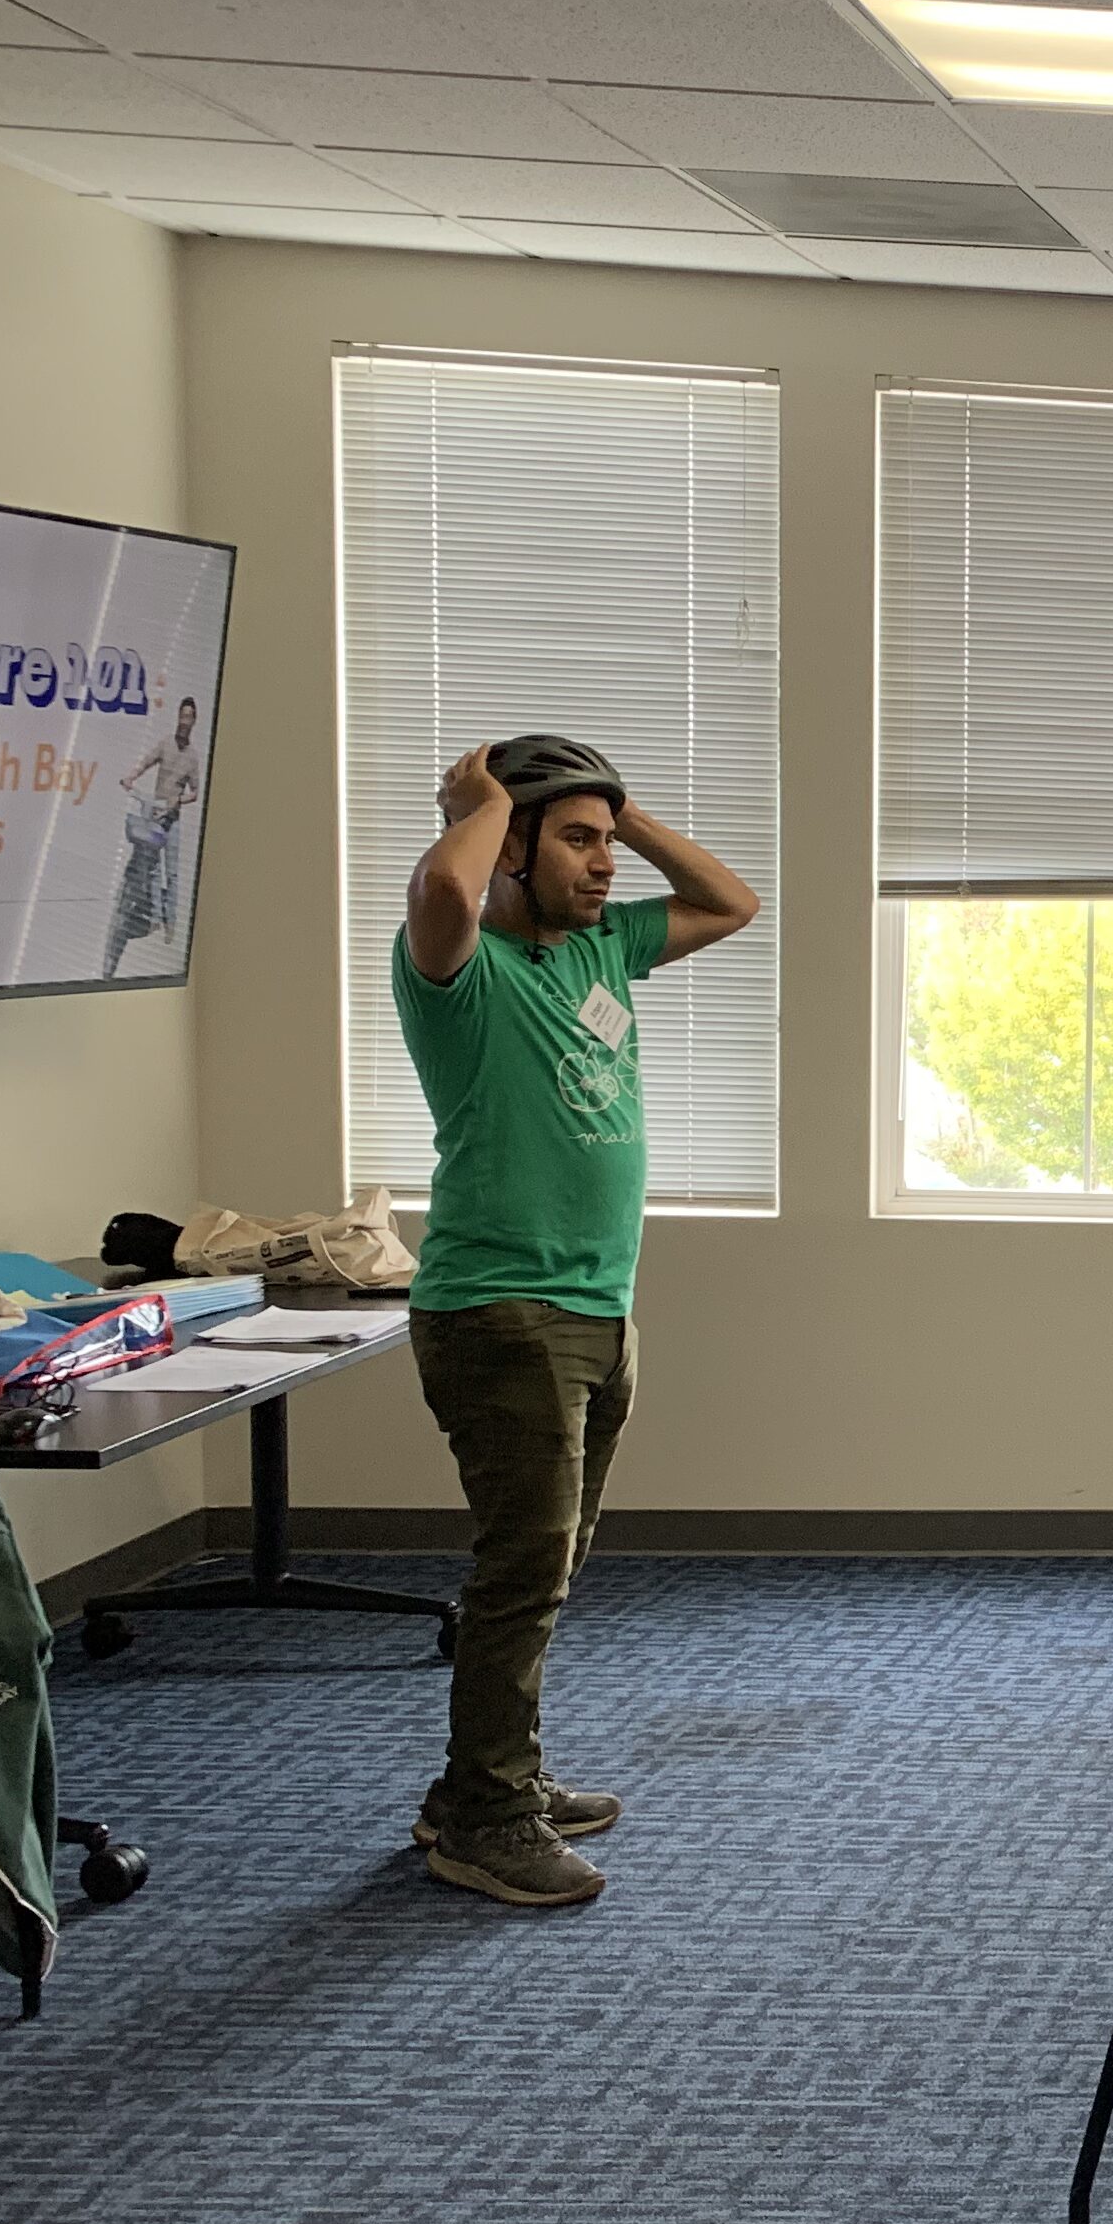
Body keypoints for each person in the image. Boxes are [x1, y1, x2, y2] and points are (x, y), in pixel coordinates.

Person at [396, 735, 760, 1909]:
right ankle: (486, 1820)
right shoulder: (457, 968)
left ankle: (483, 1780)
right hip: (502, 1312)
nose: (606, 864)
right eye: (577, 840)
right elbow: (442, 889)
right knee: (522, 1573)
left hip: (598, 1307)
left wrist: (619, 809)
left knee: (545, 1567)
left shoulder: (599, 948)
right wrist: (482, 804)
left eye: (608, 842)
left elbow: (733, 904)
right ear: (510, 848)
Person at [98, 692, 204, 977]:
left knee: (172, 872)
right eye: (182, 715)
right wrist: (131, 777)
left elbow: (196, 792)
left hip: (172, 818)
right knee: (150, 866)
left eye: (189, 717)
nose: (184, 721)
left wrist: (178, 800)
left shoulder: (192, 757)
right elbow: (146, 761)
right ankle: (153, 915)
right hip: (154, 813)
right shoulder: (166, 744)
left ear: (194, 721)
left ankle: (170, 923)